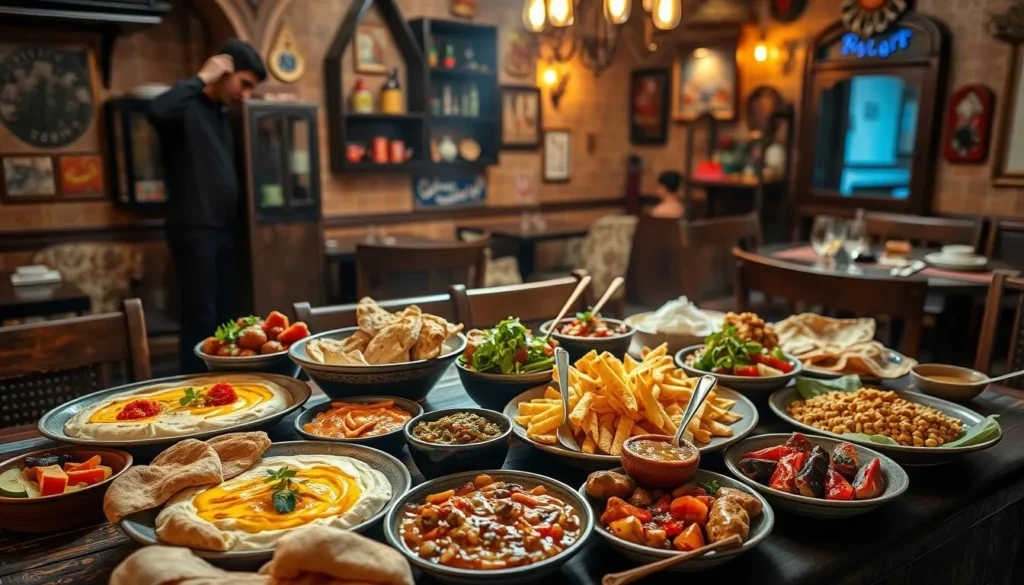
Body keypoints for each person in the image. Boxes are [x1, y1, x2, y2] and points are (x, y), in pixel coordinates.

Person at [148, 40, 266, 373]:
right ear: (223, 70)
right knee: (200, 315)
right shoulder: (185, 107)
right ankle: (198, 388)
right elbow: (157, 109)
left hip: (226, 228)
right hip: (194, 227)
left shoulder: (219, 113)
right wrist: (202, 76)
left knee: (226, 315)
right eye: (243, 84)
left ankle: (226, 385)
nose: (244, 94)